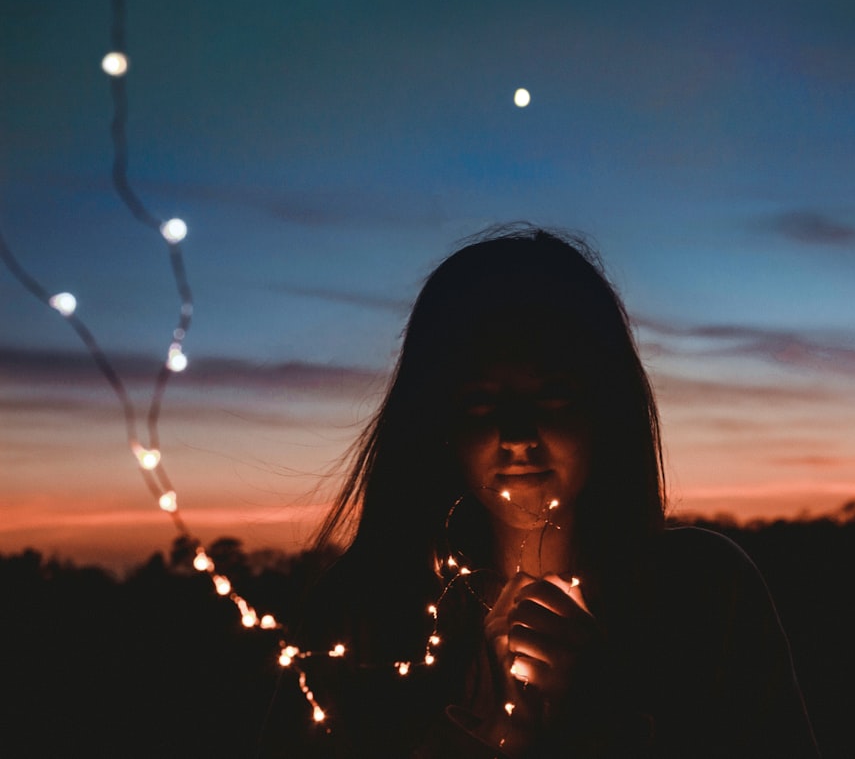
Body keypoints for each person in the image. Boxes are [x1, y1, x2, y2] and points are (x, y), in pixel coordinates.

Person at [258, 225, 820, 758]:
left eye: (553, 395)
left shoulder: (703, 593)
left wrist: (601, 725)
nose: (518, 436)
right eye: (482, 400)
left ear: (605, 410)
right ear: (439, 421)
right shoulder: (362, 616)